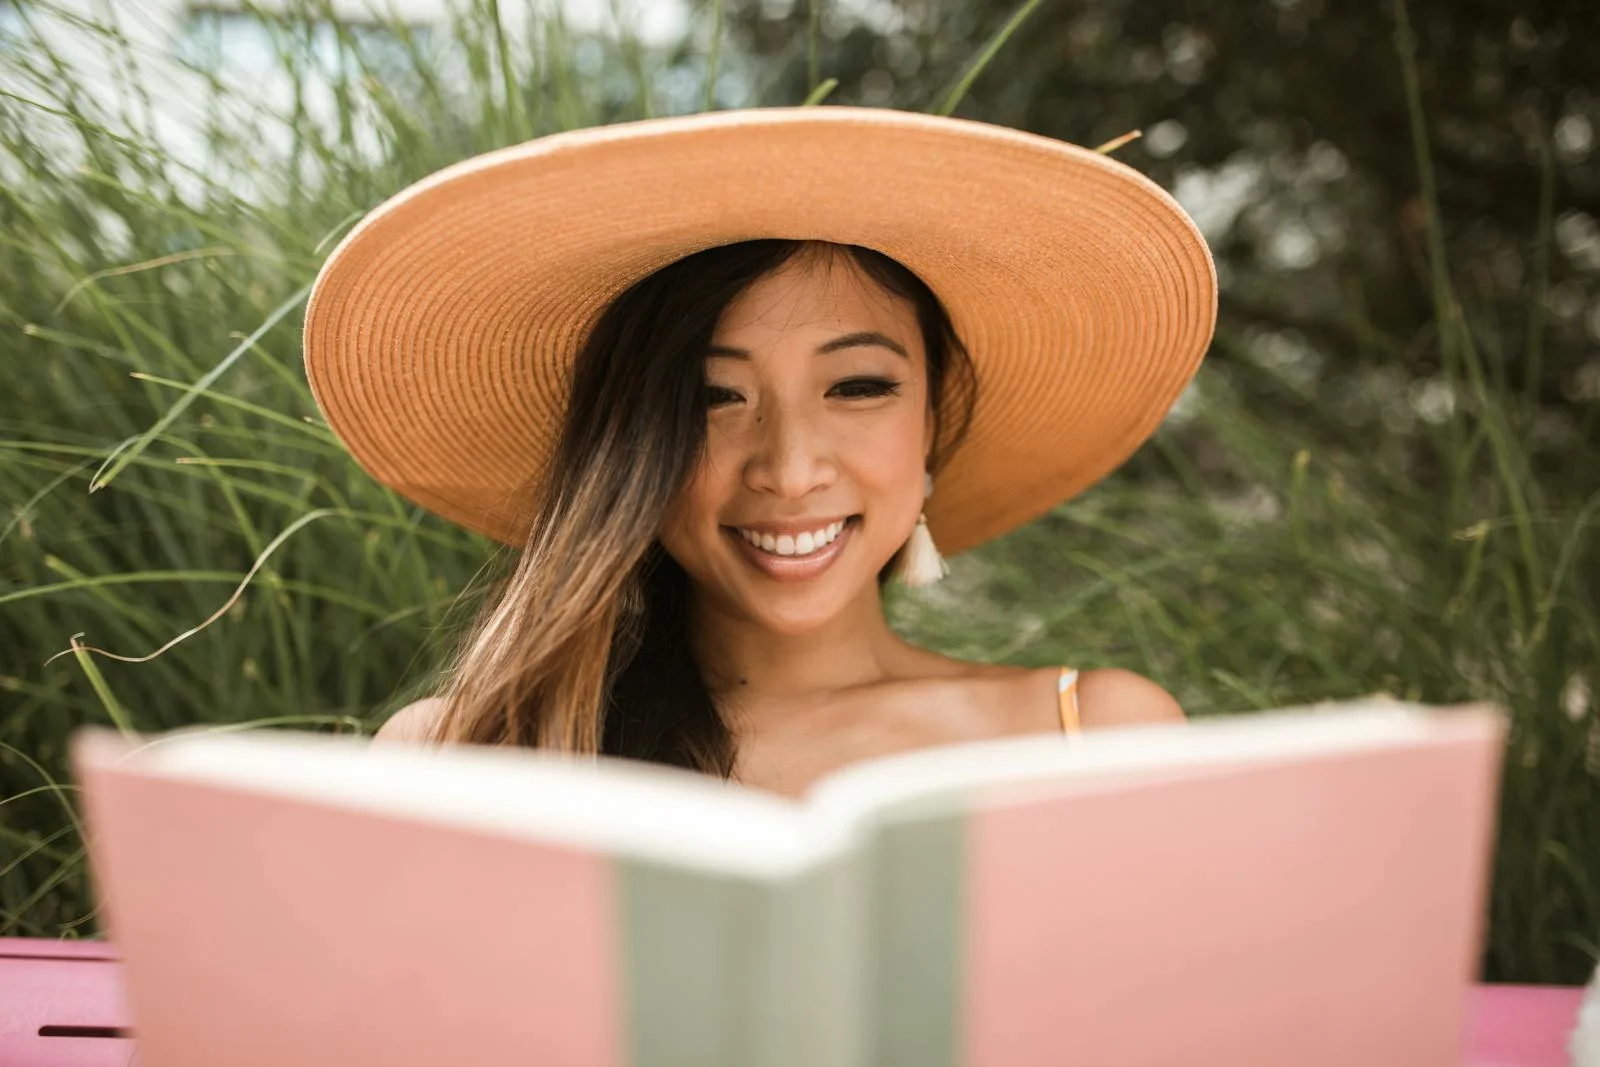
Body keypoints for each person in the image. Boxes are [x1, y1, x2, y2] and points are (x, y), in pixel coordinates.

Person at [302, 106, 1218, 798]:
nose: (788, 469)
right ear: (632, 453)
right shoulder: (465, 755)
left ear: (933, 422)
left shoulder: (1095, 735)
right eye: (712, 398)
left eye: (858, 386)